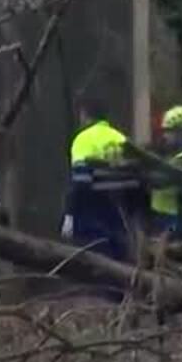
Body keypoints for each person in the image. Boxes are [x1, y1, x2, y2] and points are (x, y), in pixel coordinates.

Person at [63, 98, 139, 264]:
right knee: (119, 268)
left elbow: (81, 181)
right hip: (119, 214)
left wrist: (70, 214)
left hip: (91, 214)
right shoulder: (121, 139)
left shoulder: (83, 139)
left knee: (94, 267)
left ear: (85, 116)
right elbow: (135, 180)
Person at [149, 103, 182, 241]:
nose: (165, 136)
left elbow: (159, 181)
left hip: (174, 224)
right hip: (170, 221)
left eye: (169, 131)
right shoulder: (180, 157)